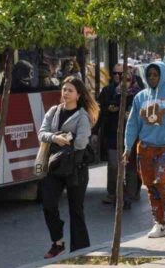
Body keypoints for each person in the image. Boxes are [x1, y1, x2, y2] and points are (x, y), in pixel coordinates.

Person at [125, 62, 165, 238]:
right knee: (151, 186)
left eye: (156, 74)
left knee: (163, 182)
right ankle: (158, 223)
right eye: (150, 75)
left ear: (162, 75)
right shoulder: (140, 97)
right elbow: (132, 124)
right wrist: (127, 147)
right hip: (145, 147)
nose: (153, 78)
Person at [39, 76, 98, 258]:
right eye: (64, 89)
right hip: (55, 165)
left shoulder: (83, 116)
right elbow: (42, 133)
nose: (65, 93)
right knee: (48, 203)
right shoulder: (53, 111)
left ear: (79, 95)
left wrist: (65, 137)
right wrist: (56, 138)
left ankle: (80, 251)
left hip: (76, 168)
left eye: (70, 90)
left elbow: (81, 143)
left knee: (76, 210)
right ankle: (58, 241)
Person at [98, 64, 139, 209]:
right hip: (112, 135)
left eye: (126, 78)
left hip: (131, 136)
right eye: (118, 76)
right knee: (114, 165)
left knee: (130, 166)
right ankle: (114, 193)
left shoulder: (137, 95)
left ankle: (130, 194)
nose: (121, 80)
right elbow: (101, 110)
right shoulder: (110, 92)